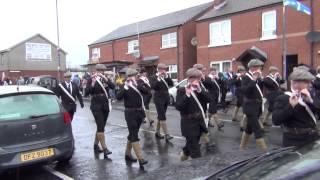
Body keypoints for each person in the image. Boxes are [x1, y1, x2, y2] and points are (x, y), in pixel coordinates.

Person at [273, 69, 320, 147]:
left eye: (310, 82)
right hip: (295, 141)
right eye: (306, 82)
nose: (310, 85)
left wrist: (311, 102)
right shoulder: (283, 98)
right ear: (294, 83)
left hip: (312, 138)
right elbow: (276, 120)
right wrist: (291, 106)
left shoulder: (308, 96)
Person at [176, 68, 210, 160]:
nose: (199, 80)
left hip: (199, 123)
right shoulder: (182, 90)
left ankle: (180, 163)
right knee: (196, 152)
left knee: (188, 148)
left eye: (199, 78)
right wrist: (187, 94)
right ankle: (199, 172)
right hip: (188, 125)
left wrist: (200, 90)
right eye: (197, 78)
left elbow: (209, 99)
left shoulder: (200, 89)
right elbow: (179, 107)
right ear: (190, 79)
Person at [116, 68, 148, 167]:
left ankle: (127, 154)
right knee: (134, 134)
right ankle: (140, 158)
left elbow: (146, 91)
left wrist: (138, 85)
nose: (133, 78)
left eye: (134, 76)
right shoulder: (124, 85)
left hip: (139, 112)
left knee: (133, 133)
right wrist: (125, 87)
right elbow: (118, 97)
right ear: (128, 77)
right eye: (131, 76)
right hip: (130, 113)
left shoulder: (138, 84)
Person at [86, 64, 115, 159]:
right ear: (96, 70)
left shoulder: (105, 78)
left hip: (105, 104)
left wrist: (106, 79)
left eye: (103, 71)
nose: (102, 72)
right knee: (100, 126)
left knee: (101, 126)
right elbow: (86, 92)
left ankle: (95, 144)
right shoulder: (91, 79)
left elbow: (113, 86)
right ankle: (105, 148)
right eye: (100, 71)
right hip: (96, 105)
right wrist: (93, 83)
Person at [239, 59, 267, 150]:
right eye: (258, 67)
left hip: (257, 106)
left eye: (260, 67)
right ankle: (265, 151)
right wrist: (254, 80)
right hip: (249, 106)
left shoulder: (257, 77)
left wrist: (260, 79)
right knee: (257, 129)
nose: (260, 69)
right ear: (252, 68)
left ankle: (242, 148)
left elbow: (262, 88)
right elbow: (246, 91)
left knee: (249, 128)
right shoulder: (246, 77)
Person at [151, 63, 174, 141]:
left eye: (165, 69)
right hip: (158, 99)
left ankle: (157, 132)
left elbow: (171, 84)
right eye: (163, 69)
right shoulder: (154, 77)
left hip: (166, 98)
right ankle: (167, 134)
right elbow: (153, 86)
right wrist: (159, 79)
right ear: (159, 69)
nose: (164, 71)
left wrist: (167, 77)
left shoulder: (166, 77)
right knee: (162, 116)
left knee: (161, 116)